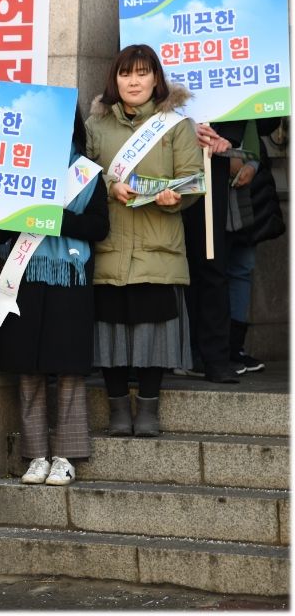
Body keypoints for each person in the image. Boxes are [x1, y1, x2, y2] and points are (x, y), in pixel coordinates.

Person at [0, 108, 109, 486]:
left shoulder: (87, 174)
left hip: (69, 279)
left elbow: (99, 226)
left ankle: (65, 455)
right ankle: (35, 456)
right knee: (27, 368)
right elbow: (9, 224)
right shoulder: (21, 170)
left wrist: (55, 219)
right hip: (25, 276)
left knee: (67, 369)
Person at [86, 44, 204, 437]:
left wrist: (177, 197)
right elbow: (79, 174)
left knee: (155, 331)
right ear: (114, 80)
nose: (133, 81)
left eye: (141, 73)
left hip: (159, 246)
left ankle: (149, 410)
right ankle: (118, 410)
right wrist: (108, 185)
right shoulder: (95, 126)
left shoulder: (177, 125)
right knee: (110, 331)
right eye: (125, 74)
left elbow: (193, 180)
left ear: (157, 78)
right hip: (110, 244)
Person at [146, 0, 247, 383]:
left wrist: (230, 137)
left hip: (208, 154)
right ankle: (162, 356)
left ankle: (215, 357)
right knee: (159, 259)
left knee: (210, 258)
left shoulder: (226, 5)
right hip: (155, 152)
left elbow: (243, 75)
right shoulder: (142, 9)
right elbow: (132, 79)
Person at [223, 118, 285, 373]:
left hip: (249, 189)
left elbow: (268, 123)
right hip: (205, 187)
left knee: (242, 266)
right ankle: (209, 347)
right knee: (209, 271)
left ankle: (234, 346)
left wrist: (251, 164)